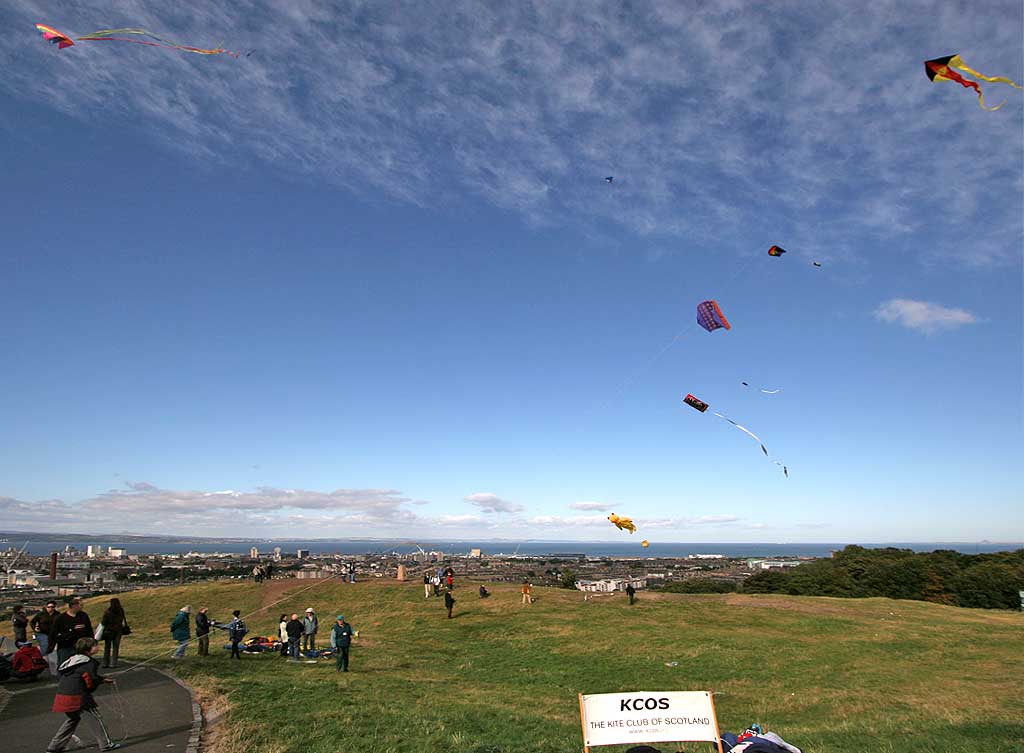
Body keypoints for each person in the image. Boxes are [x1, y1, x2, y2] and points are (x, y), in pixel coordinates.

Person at [47, 637, 120, 752]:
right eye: (95, 645)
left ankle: (54, 746)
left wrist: (102, 680)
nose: (98, 647)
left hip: (62, 695)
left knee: (73, 719)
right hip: (77, 696)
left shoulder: (73, 660)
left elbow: (81, 674)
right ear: (88, 649)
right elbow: (90, 679)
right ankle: (105, 744)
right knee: (95, 718)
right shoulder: (89, 662)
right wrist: (97, 684)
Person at [48, 599, 94, 667]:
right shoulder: (60, 618)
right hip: (66, 646)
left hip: (81, 646)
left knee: (81, 666)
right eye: (81, 605)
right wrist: (51, 647)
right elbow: (53, 633)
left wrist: (91, 643)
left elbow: (89, 629)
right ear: (74, 606)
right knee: (64, 665)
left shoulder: (83, 616)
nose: (82, 607)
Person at [99, 598, 128, 668]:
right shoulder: (120, 610)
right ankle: (113, 663)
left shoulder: (108, 611)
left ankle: (105, 663)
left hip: (109, 630)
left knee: (107, 647)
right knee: (115, 647)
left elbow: (103, 622)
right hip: (118, 630)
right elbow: (123, 620)